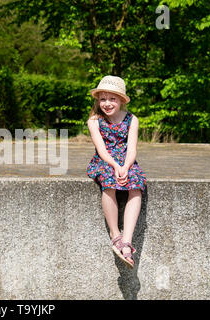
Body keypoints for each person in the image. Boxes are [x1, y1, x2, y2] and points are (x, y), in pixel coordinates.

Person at [86, 75, 146, 269]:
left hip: (126, 161)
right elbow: (102, 150)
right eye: (102, 99)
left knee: (136, 185)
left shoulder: (132, 119)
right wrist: (115, 165)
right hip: (105, 161)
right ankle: (115, 234)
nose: (107, 103)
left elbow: (132, 148)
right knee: (109, 181)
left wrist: (126, 166)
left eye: (112, 99)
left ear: (121, 100)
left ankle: (127, 240)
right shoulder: (94, 121)